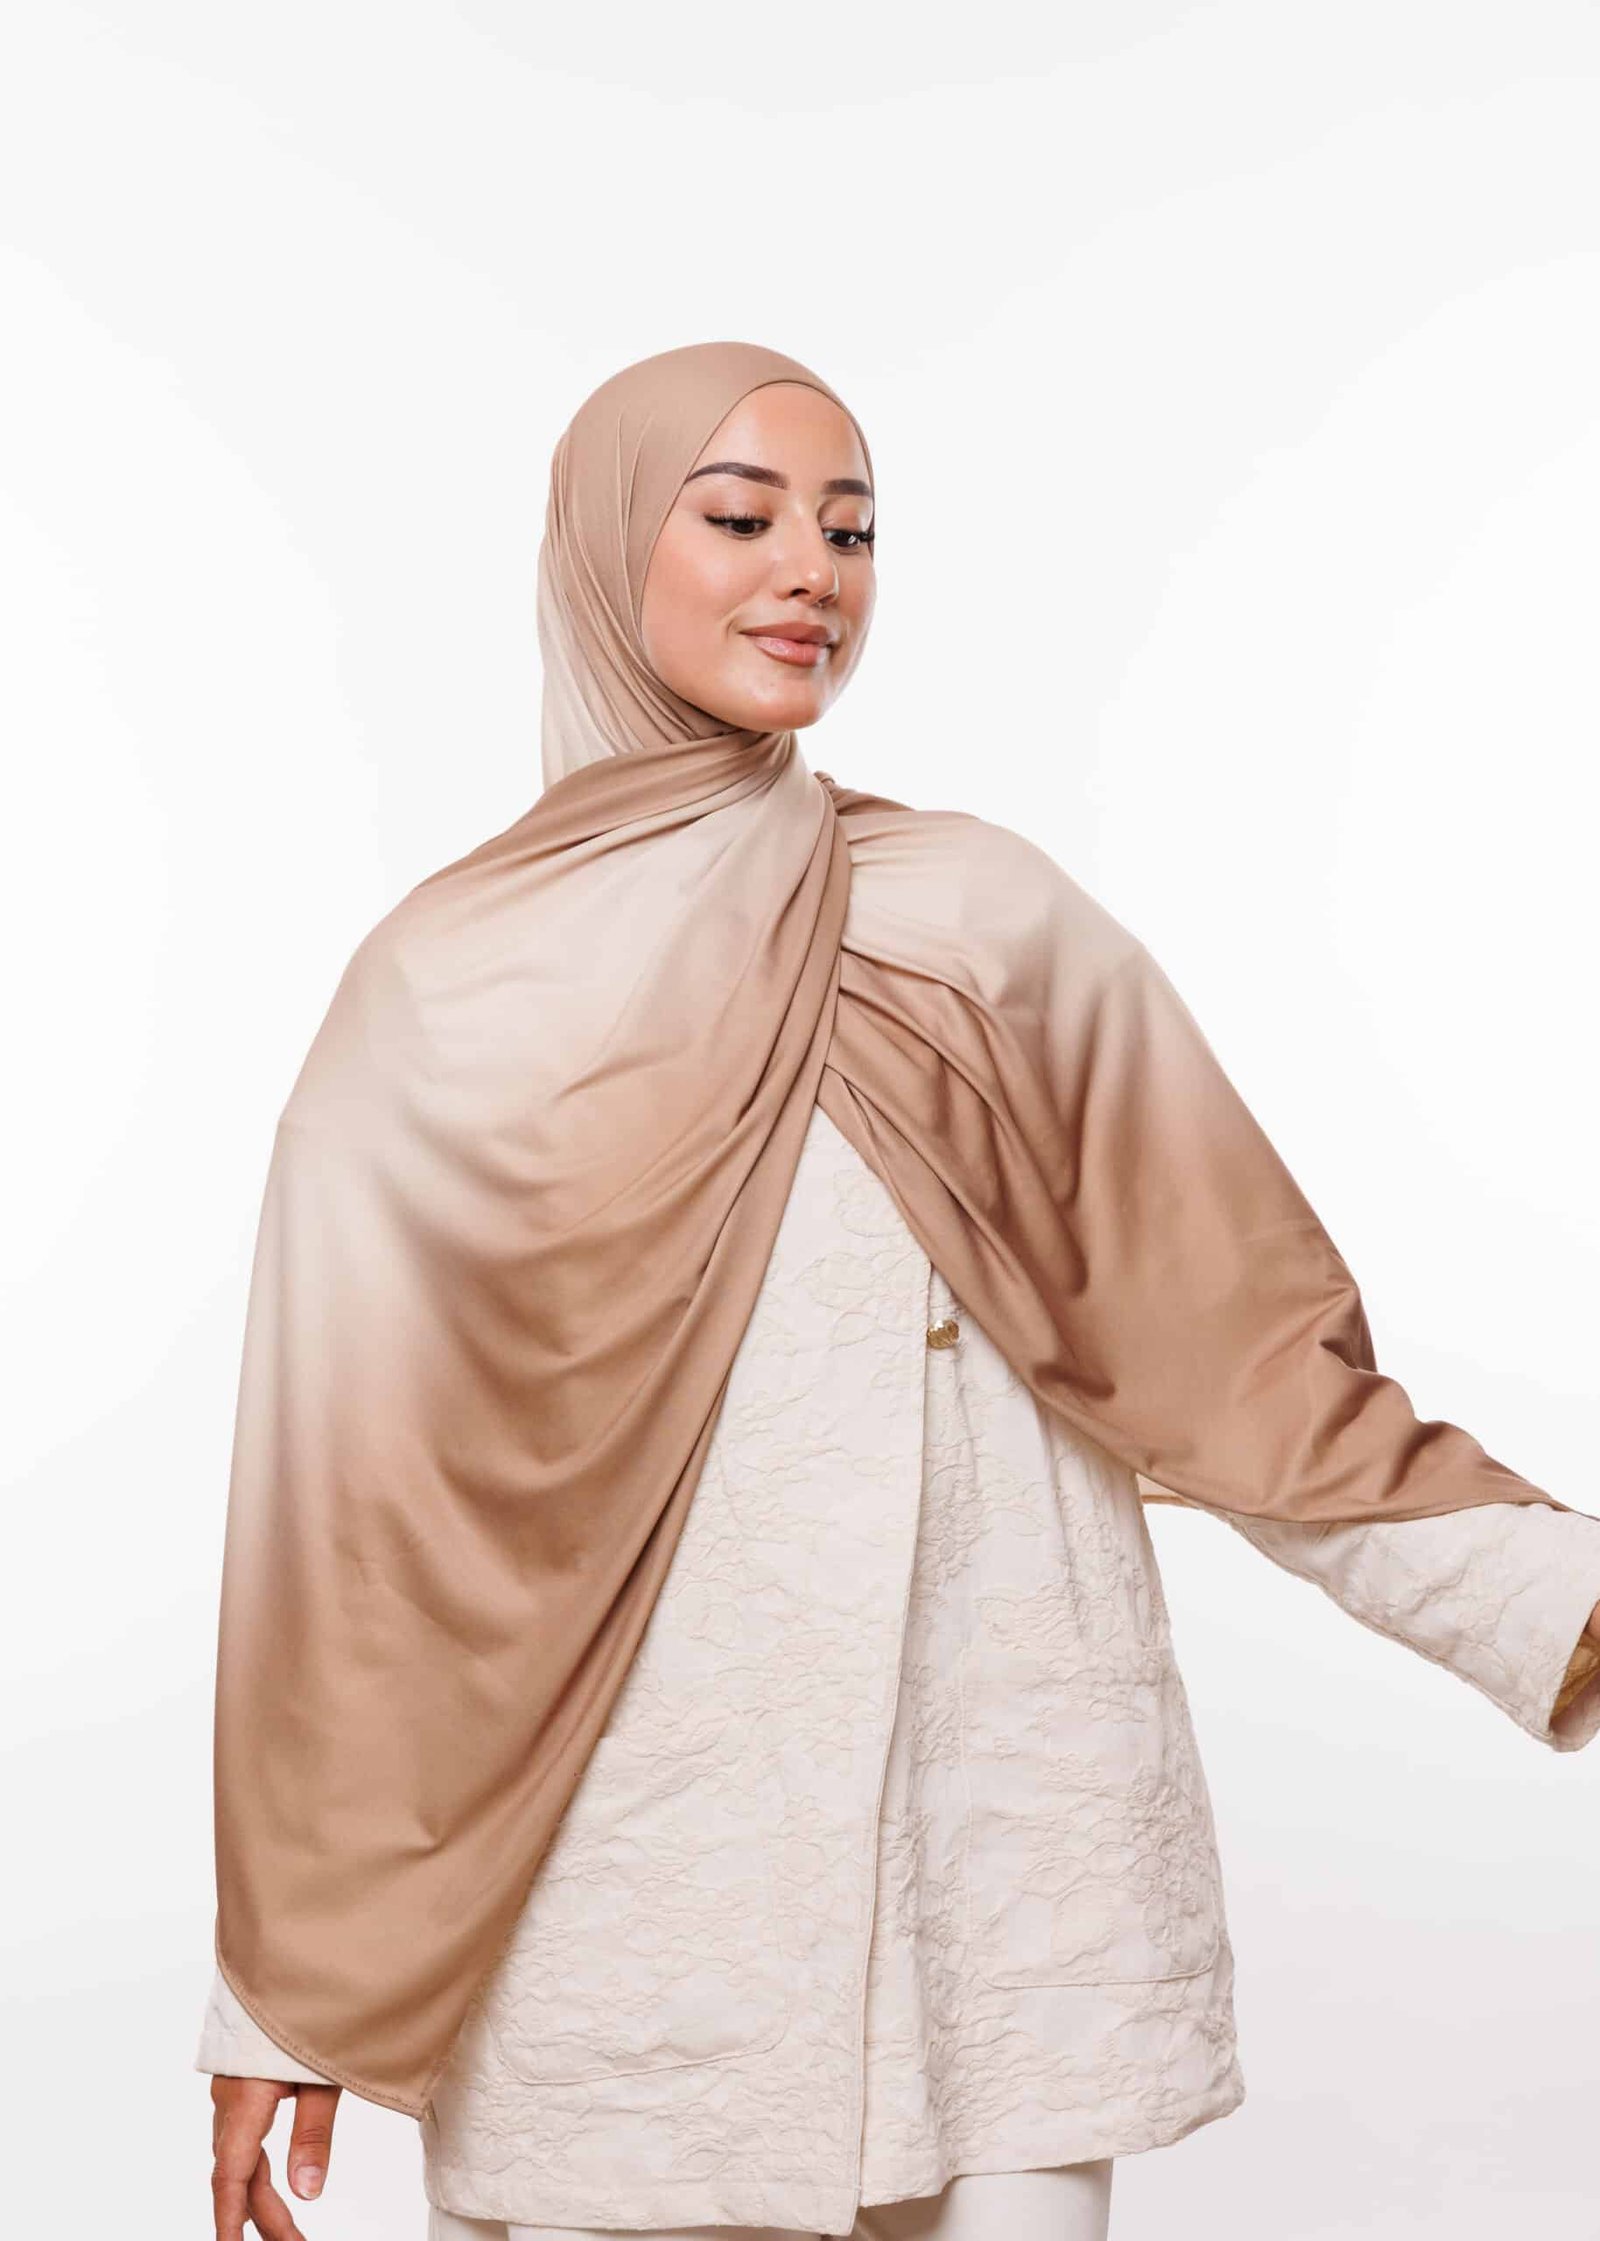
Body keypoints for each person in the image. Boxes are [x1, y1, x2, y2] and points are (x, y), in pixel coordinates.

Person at [197, 341, 1600, 2241]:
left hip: (984, 1876)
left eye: (851, 530)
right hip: (620, 1915)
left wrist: (1550, 1596)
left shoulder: (980, 923)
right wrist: (284, 1985)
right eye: (742, 516)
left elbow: (1253, 1372)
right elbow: (350, 1527)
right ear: (605, 548)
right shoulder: (442, 995)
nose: (812, 572)